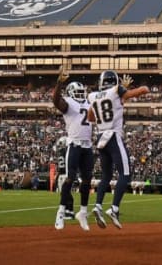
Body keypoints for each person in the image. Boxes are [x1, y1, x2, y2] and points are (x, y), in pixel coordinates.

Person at [87, 70, 149, 229]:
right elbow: (141, 91)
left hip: (100, 138)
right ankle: (114, 209)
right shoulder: (116, 91)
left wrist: (120, 98)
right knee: (125, 174)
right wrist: (140, 88)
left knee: (106, 176)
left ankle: (98, 206)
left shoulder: (92, 96)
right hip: (113, 136)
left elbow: (90, 117)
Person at [52, 70, 93, 231]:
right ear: (70, 93)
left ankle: (82, 212)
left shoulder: (88, 103)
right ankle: (61, 212)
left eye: (82, 92)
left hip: (88, 145)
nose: (81, 94)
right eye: (77, 92)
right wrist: (59, 83)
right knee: (69, 178)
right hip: (74, 144)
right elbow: (56, 101)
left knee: (87, 181)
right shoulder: (68, 103)